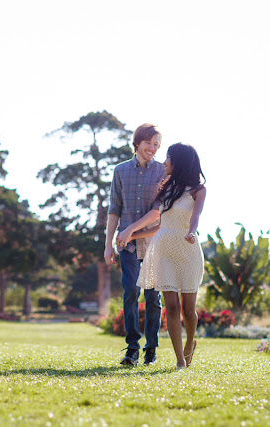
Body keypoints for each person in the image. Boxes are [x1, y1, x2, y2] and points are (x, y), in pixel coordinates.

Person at [116, 143, 206, 370]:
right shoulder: (164, 188)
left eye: (167, 158)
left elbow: (194, 218)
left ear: (180, 162)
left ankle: (189, 345)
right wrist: (132, 234)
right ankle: (179, 361)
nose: (164, 162)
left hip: (188, 247)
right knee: (172, 307)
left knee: (188, 309)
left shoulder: (198, 190)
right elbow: (159, 224)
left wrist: (192, 231)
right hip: (163, 249)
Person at [104, 123, 166, 366]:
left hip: (153, 243)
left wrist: (131, 229)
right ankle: (131, 348)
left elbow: (158, 211)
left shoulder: (162, 171)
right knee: (131, 291)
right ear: (138, 142)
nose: (153, 148)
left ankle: (151, 350)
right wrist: (108, 244)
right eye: (149, 143)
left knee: (152, 297)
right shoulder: (120, 171)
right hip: (125, 245)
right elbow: (114, 209)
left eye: (157, 145)